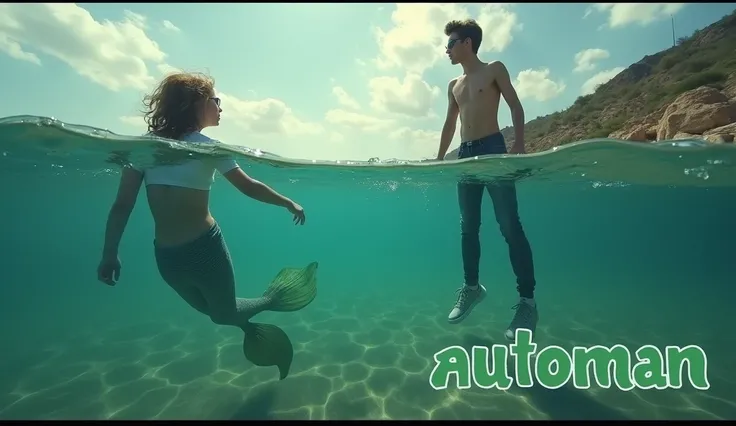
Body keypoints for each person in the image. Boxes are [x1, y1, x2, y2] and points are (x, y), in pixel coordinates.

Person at [96, 72, 318, 380]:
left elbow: (248, 185)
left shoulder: (209, 148)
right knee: (214, 312)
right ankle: (257, 314)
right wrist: (109, 253)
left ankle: (272, 299)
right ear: (196, 103)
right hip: (167, 257)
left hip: (205, 250)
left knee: (221, 315)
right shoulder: (144, 150)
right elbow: (123, 204)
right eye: (216, 100)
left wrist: (287, 202)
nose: (220, 106)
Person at [434, 19, 538, 342]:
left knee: (509, 225)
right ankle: (471, 288)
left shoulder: (494, 69)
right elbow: (450, 125)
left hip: (493, 148)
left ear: (467, 43)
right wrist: (439, 159)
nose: (446, 49)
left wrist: (519, 144)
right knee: (468, 226)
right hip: (465, 154)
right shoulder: (453, 85)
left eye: (450, 43)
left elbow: (516, 106)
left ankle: (527, 302)